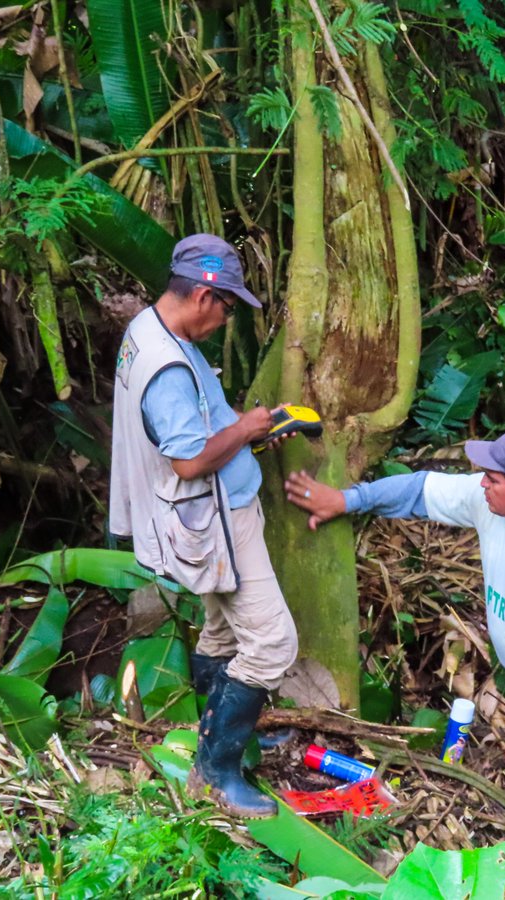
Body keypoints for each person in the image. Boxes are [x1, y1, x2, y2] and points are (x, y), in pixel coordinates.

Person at [283, 425, 505, 883]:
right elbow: (419, 489)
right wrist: (346, 500)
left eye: (492, 478)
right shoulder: (493, 504)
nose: (480, 482)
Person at [109, 234, 299, 817]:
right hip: (214, 516)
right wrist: (244, 431)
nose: (226, 319)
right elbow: (188, 460)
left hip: (207, 512)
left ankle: (225, 737)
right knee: (271, 644)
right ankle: (215, 773)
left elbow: (192, 429)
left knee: (222, 633)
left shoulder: (148, 329)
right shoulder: (167, 368)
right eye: (227, 306)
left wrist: (249, 430)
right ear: (201, 296)